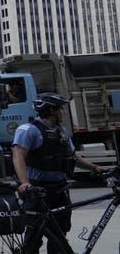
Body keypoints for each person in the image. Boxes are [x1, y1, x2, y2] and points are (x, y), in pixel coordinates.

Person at [12, 93, 110, 252]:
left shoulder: (62, 132)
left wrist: (94, 167)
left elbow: (73, 157)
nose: (64, 112)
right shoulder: (29, 130)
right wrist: (25, 183)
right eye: (61, 109)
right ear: (52, 110)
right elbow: (18, 156)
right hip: (38, 191)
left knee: (59, 235)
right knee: (33, 238)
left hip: (60, 190)